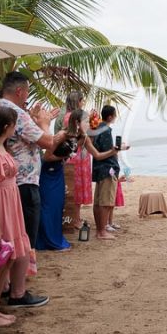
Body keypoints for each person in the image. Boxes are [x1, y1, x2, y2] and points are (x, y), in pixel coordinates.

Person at [0, 71, 66, 308]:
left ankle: (7, 286)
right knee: (23, 238)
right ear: (20, 91)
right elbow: (47, 142)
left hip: (9, 183)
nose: (27, 96)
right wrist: (46, 125)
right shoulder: (17, 113)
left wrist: (39, 123)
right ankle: (18, 292)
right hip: (24, 183)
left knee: (10, 237)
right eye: (27, 91)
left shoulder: (0, 109)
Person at [0, 105, 31, 328]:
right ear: (6, 127)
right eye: (13, 125)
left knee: (9, 256)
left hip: (11, 202)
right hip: (2, 204)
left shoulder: (2, 148)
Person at [91, 105, 127, 239]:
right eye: (115, 115)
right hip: (107, 168)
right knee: (106, 202)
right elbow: (107, 152)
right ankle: (102, 231)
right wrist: (117, 150)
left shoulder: (98, 128)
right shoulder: (105, 130)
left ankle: (100, 230)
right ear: (110, 116)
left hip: (99, 168)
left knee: (99, 201)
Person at [61, 92, 91, 232]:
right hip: (77, 155)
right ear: (77, 101)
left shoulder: (67, 116)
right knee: (76, 188)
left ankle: (75, 217)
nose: (82, 103)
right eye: (81, 101)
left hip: (75, 154)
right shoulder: (73, 117)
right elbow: (84, 134)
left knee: (75, 188)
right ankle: (76, 218)